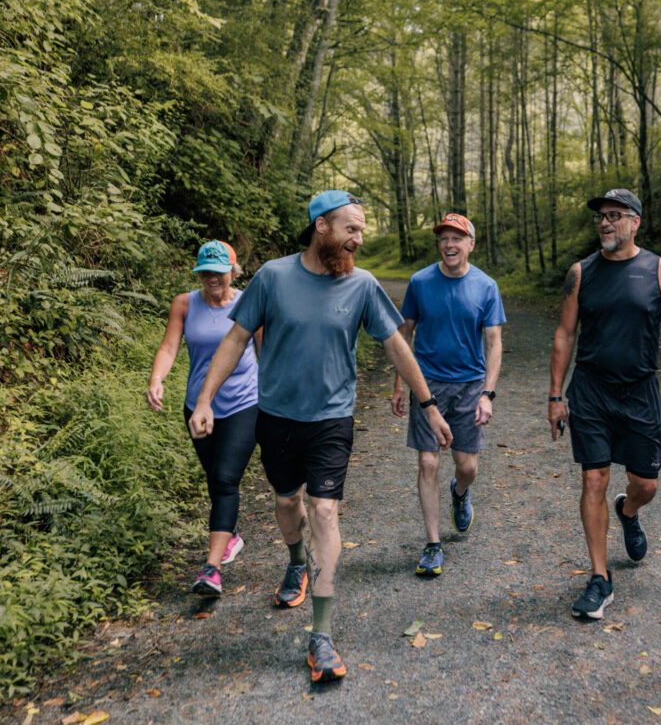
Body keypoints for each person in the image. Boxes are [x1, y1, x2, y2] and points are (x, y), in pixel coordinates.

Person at [188, 189, 451, 684]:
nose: (358, 239)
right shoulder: (272, 276)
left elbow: (396, 346)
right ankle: (295, 562)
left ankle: (322, 634)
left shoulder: (363, 285)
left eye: (361, 231)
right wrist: (205, 400)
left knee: (325, 510)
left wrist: (429, 405)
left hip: (332, 419)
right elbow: (236, 339)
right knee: (287, 502)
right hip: (277, 416)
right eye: (351, 229)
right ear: (321, 226)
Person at [548, 188, 661, 620]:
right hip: (591, 391)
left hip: (640, 391)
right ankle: (599, 578)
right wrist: (556, 396)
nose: (605, 223)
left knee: (646, 484)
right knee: (593, 478)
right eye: (600, 217)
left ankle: (628, 510)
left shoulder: (659, 270)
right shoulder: (581, 273)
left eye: (615, 215)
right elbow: (564, 334)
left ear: (635, 222)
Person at [390, 213, 506, 577]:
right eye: (444, 238)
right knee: (428, 463)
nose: (449, 245)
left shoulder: (486, 286)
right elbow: (403, 335)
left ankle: (460, 492)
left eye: (457, 238)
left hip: (470, 386)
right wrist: (399, 384)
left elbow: (494, 342)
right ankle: (432, 544)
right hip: (428, 385)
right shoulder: (420, 282)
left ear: (471, 244)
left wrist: (488, 393)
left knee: (467, 466)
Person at [146, 240, 260, 597]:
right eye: (205, 271)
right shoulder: (185, 303)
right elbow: (169, 347)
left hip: (244, 402)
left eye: (219, 271)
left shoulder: (249, 302)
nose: (212, 277)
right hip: (197, 406)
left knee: (226, 478)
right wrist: (156, 379)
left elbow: (265, 349)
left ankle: (211, 569)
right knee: (214, 477)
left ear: (233, 271)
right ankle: (230, 533)